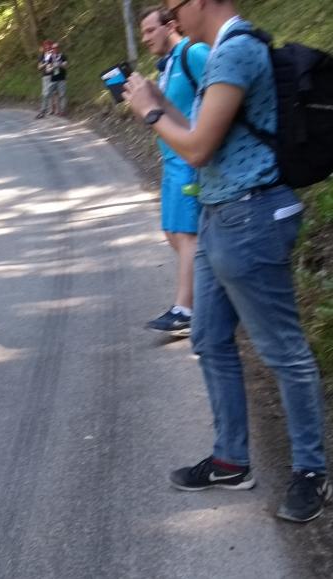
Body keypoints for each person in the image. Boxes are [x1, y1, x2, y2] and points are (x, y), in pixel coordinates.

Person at [124, 0, 329, 522]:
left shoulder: (235, 51)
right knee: (209, 337)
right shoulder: (220, 52)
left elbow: (195, 149)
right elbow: (202, 137)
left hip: (253, 215)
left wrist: (149, 110)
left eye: (172, 10)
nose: (170, 21)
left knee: (282, 350)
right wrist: (152, 103)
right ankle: (232, 460)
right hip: (221, 215)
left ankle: (311, 471)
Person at [138, 6, 209, 336]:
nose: (145, 38)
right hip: (170, 160)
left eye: (150, 31)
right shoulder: (167, 66)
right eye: (143, 33)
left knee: (186, 234)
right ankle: (209, 289)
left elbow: (221, 90)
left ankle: (186, 308)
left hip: (189, 159)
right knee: (172, 232)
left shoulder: (193, 53)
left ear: (170, 26)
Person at [37, 42, 69, 118]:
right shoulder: (50, 57)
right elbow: (47, 69)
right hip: (52, 79)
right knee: (47, 94)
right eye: (54, 48)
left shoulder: (62, 56)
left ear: (59, 48)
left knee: (62, 95)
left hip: (61, 78)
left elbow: (66, 66)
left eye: (56, 48)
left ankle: (62, 111)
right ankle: (43, 111)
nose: (55, 49)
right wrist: (52, 67)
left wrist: (60, 64)